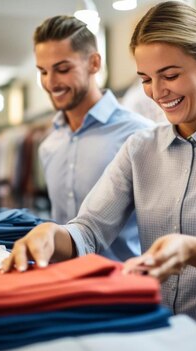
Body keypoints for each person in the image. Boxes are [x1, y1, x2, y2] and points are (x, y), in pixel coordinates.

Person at [3, 2, 196, 350]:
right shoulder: (139, 147)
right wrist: (52, 234)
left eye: (170, 75)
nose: (157, 92)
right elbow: (91, 228)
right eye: (146, 80)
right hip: (153, 329)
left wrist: (191, 249)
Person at [32, 15, 154, 262]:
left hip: (123, 288)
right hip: (64, 286)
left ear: (94, 63)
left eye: (62, 69)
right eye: (43, 72)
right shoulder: (48, 145)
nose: (50, 82)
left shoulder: (139, 134)